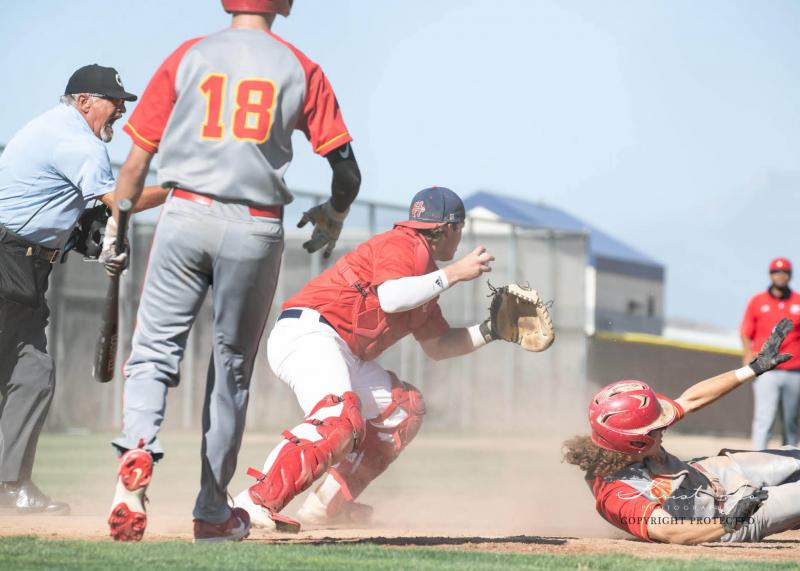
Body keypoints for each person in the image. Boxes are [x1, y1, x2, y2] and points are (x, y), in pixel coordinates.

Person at [106, 0, 361, 543]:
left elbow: (134, 166)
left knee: (154, 351)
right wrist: (335, 216)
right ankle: (211, 509)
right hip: (255, 225)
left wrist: (117, 227)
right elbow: (347, 172)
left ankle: (136, 456)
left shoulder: (189, 55)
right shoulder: (302, 67)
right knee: (231, 372)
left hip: (185, 213)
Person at [232, 186, 508, 532]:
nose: (460, 237)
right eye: (460, 228)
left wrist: (492, 330)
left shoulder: (423, 275)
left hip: (342, 350)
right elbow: (391, 297)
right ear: (450, 227)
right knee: (338, 417)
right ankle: (255, 500)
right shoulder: (404, 244)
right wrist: (453, 274)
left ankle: (324, 506)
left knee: (403, 409)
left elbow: (438, 345)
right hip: (309, 333)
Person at [0, 64, 166, 516]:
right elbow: (121, 200)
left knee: (31, 374)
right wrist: (179, 191)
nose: (121, 111)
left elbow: (59, 210)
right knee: (28, 372)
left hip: (25, 266)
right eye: (115, 102)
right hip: (8, 260)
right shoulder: (77, 139)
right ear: (84, 101)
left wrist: (85, 237)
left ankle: (11, 486)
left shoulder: (58, 131)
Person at [563, 319, 800, 544]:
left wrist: (753, 368)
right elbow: (668, 531)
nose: (664, 426)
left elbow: (691, 400)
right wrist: (731, 522)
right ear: (636, 443)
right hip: (728, 515)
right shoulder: (615, 496)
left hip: (713, 471)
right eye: (657, 427)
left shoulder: (625, 433)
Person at [741, 257, 800, 450]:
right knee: (763, 419)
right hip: (765, 369)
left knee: (791, 422)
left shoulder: (798, 301)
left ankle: (792, 466)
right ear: (770, 274)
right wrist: (747, 354)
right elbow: (745, 332)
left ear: (790, 275)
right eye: (776, 271)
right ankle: (757, 462)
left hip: (794, 369)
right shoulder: (758, 301)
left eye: (784, 272)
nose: (780, 275)